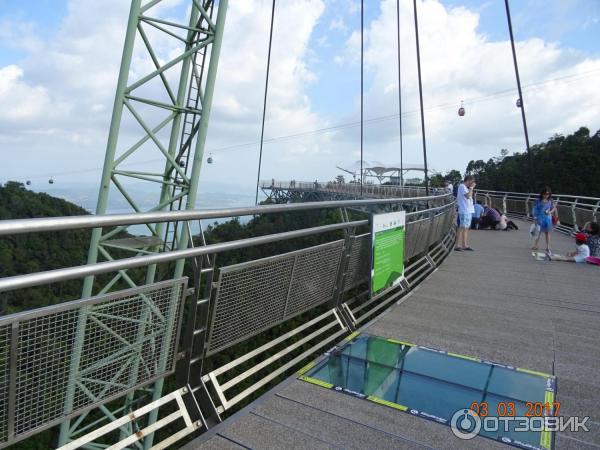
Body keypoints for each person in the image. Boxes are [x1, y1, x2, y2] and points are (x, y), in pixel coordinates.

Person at [532, 187, 557, 253]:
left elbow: (554, 208)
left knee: (547, 232)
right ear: (542, 194)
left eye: (548, 194)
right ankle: (536, 245)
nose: (546, 195)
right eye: (545, 194)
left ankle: (548, 246)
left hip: (548, 218)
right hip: (539, 217)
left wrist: (550, 212)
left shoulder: (551, 200)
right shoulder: (538, 200)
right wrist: (535, 217)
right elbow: (535, 209)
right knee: (538, 232)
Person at [455, 175, 476, 251]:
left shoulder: (465, 188)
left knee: (466, 229)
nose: (473, 183)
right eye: (472, 181)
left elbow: (469, 196)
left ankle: (465, 245)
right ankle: (457, 245)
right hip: (464, 211)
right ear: (469, 180)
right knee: (461, 228)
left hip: (468, 211)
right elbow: (468, 196)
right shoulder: (462, 186)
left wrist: (471, 188)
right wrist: (471, 188)